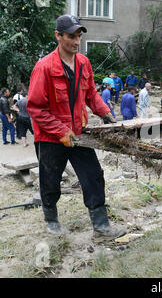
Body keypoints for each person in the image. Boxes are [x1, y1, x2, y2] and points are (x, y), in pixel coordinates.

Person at [27, 14, 125, 241]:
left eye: (79, 36)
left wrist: (106, 114)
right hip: (51, 137)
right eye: (71, 36)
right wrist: (60, 131)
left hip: (79, 133)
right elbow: (35, 107)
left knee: (93, 176)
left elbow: (90, 94)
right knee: (50, 180)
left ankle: (101, 228)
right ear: (58, 36)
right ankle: (52, 222)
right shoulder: (43, 67)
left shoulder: (83, 63)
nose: (76, 41)